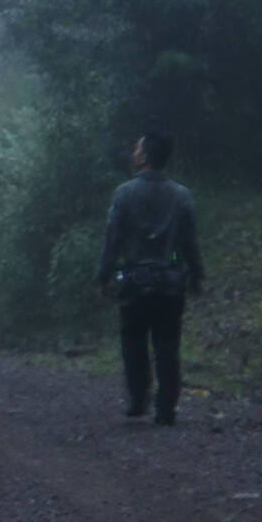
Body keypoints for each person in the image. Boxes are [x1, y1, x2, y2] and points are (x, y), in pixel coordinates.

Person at [95, 132, 203, 426]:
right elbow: (189, 242)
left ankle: (138, 399)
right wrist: (196, 274)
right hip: (170, 284)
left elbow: (113, 240)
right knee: (167, 345)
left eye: (136, 148)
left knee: (133, 341)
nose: (133, 152)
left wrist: (102, 275)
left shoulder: (124, 193)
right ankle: (166, 408)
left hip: (133, 281)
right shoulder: (181, 195)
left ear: (144, 157)